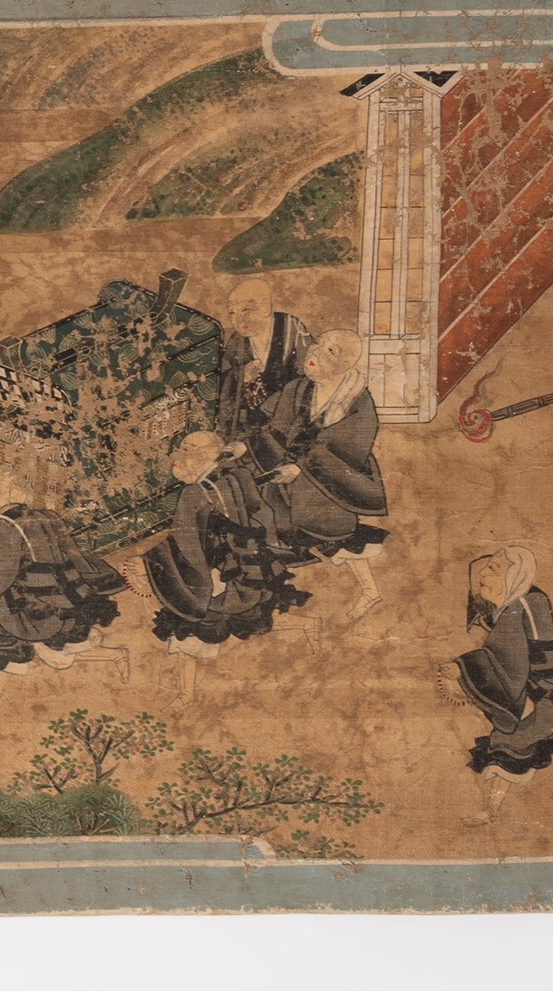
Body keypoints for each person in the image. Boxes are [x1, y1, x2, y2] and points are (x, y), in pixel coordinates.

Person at [0, 464, 130, 714]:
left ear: (4, 485)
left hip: (33, 613)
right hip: (69, 605)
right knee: (48, 650)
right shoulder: (47, 516)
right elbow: (77, 557)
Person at [451, 547, 553, 820]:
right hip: (550, 691)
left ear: (515, 575)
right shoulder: (524, 602)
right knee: (544, 739)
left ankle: (490, 810)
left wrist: (464, 667)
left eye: (493, 569)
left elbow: (520, 656)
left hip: (540, 695)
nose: (484, 573)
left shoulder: (522, 607)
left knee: (508, 744)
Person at [143, 430, 297, 689]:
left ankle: (187, 691)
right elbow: (264, 515)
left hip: (219, 590)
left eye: (186, 450)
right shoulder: (239, 476)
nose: (176, 457)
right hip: (255, 578)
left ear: (203, 457)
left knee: (183, 627)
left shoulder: (192, 494)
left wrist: (152, 559)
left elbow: (187, 547)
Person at [254, 327, 389, 607]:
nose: (314, 351)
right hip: (291, 467)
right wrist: (245, 447)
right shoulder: (299, 388)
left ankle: (369, 590)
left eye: (330, 351)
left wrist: (300, 469)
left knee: (334, 539)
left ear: (345, 363)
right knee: (270, 512)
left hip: (333, 478)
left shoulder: (357, 400)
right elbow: (276, 429)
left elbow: (346, 447)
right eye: (317, 343)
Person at [220, 283, 313, 446]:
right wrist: (239, 375)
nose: (238, 320)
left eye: (245, 310)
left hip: (286, 422)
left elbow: (310, 377)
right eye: (232, 313)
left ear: (265, 307)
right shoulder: (237, 340)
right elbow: (223, 382)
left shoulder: (292, 330)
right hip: (248, 424)